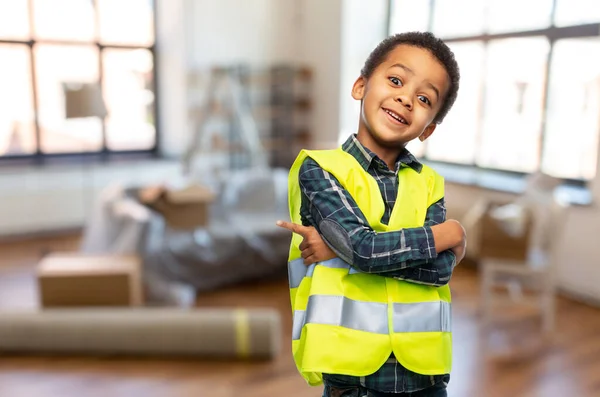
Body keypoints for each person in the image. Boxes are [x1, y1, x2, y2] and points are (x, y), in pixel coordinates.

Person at [277, 31, 467, 397]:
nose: (405, 98)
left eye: (424, 98)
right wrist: (449, 234)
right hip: (353, 378)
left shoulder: (430, 183)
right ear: (361, 86)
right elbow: (363, 248)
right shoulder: (320, 168)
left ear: (428, 129)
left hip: (425, 376)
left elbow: (441, 269)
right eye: (396, 80)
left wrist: (339, 251)